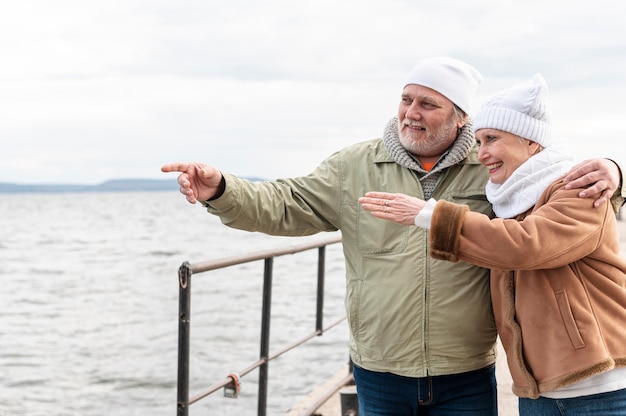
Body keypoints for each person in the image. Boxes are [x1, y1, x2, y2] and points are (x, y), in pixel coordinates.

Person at [162, 58, 623, 415]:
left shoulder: (492, 168)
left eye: (428, 104)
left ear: (460, 117)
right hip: (379, 368)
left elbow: (558, 190)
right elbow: (285, 205)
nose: (411, 113)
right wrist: (223, 189)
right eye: (406, 99)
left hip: (464, 369)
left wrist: (614, 172)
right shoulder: (354, 166)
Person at [358, 74, 626, 415]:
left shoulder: (579, 188)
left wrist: (428, 213)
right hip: (540, 390)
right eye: (479, 141)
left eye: (492, 139)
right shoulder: (510, 199)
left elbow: (527, 245)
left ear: (531, 143)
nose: (481, 154)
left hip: (602, 385)